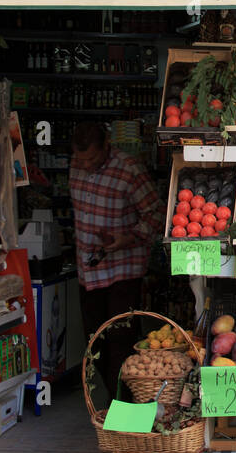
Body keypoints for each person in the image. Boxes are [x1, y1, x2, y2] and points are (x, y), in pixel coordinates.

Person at [68, 122, 164, 391]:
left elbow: (156, 214)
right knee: (95, 341)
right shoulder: (75, 165)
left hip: (123, 269)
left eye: (92, 159)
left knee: (121, 339)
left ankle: (121, 406)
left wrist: (127, 238)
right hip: (88, 270)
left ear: (106, 147)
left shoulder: (128, 169)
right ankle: (115, 396)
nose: (85, 165)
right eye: (80, 159)